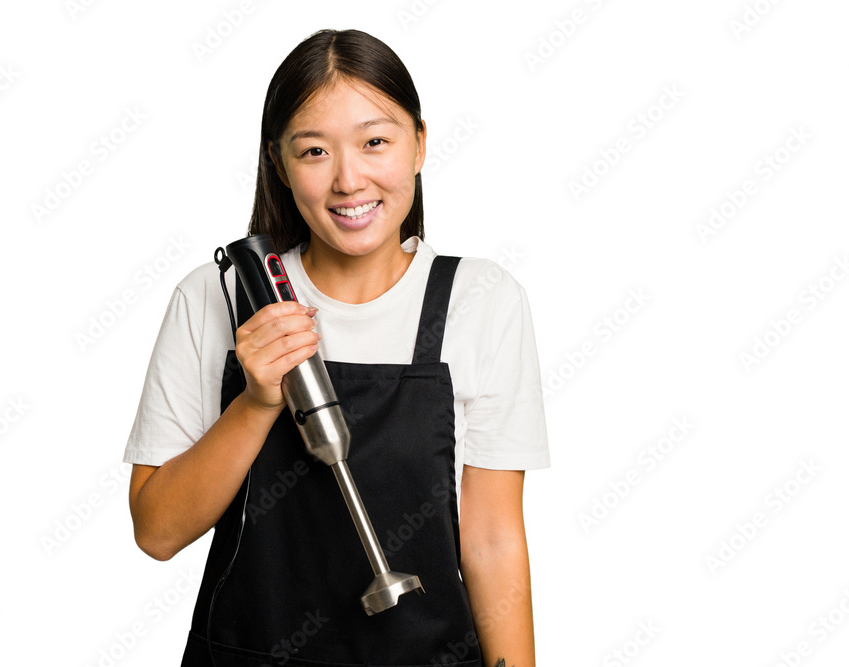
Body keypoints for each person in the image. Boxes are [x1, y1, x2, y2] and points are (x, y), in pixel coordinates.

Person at [124, 28, 550, 667]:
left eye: (375, 141)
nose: (349, 179)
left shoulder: (481, 301)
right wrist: (257, 402)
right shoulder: (216, 298)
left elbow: (491, 540)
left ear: (420, 145)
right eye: (315, 151)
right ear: (279, 163)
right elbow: (156, 532)